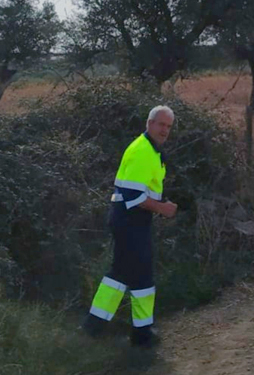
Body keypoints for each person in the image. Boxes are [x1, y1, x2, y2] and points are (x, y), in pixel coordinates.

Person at [82, 106, 179, 347]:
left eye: (168, 126)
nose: (164, 130)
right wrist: (163, 208)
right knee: (132, 274)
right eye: (161, 124)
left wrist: (159, 203)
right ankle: (134, 332)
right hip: (128, 219)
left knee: (128, 274)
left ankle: (102, 328)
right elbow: (132, 196)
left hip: (133, 220)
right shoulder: (142, 151)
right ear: (149, 123)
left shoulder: (152, 150)